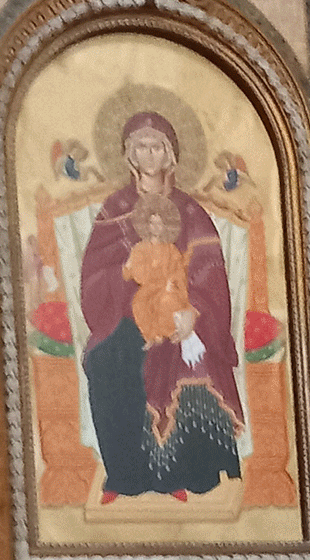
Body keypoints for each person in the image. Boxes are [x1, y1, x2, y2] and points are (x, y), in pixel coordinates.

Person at [80, 111, 243, 502]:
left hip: (181, 311)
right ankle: (124, 475)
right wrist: (125, 278)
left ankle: (177, 472)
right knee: (107, 360)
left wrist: (193, 311)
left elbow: (210, 271)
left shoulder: (190, 211)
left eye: (157, 146)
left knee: (182, 353)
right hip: (124, 312)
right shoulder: (115, 208)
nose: (149, 154)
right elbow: (95, 272)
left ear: (170, 155)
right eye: (140, 146)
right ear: (128, 155)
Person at [122, 198, 195, 347]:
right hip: (148, 289)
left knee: (167, 301)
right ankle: (151, 336)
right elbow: (128, 275)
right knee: (139, 304)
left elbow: (178, 269)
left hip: (167, 286)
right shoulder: (140, 248)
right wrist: (128, 267)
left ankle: (169, 332)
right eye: (152, 223)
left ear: (164, 227)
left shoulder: (170, 248)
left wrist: (171, 282)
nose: (155, 227)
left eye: (159, 223)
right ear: (148, 226)